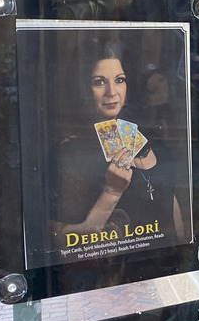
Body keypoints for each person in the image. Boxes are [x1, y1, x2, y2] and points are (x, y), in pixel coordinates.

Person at [49, 43, 185, 252]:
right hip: (122, 268)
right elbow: (64, 241)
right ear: (82, 89)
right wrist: (111, 192)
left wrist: (183, 250)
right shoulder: (71, 152)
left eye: (119, 80)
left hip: (166, 263)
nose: (112, 92)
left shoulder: (147, 135)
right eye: (99, 82)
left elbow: (170, 199)